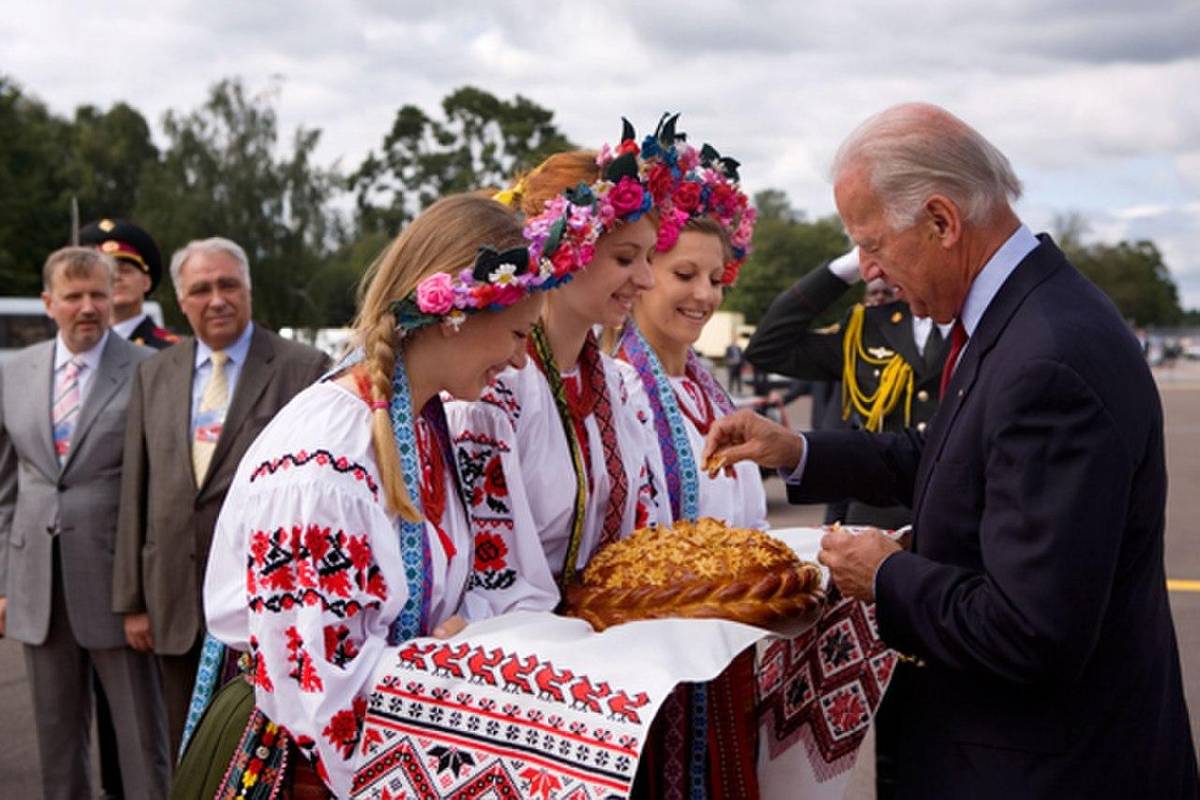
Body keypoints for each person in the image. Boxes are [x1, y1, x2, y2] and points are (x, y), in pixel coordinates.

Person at [704, 102, 1199, 798]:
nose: (869, 270)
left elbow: (1031, 632)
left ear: (941, 221)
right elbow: (941, 453)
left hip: (1042, 770)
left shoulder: (1048, 356)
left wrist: (883, 577)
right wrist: (796, 449)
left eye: (871, 243)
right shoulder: (1019, 318)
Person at [177, 193, 561, 799]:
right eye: (517, 335)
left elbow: (485, 588)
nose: (518, 361)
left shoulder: (431, 422)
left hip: (370, 746)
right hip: (301, 766)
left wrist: (463, 635)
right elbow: (318, 693)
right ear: (455, 314)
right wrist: (438, 663)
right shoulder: (322, 464)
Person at [446, 119, 673, 619]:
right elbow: (486, 575)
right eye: (626, 258)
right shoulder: (493, 390)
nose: (647, 279)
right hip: (519, 655)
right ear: (567, 252)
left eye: (651, 257)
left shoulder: (616, 385)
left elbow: (645, 535)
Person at [113, 237, 330, 756]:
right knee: (183, 748)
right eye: (201, 289)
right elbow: (135, 489)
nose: (217, 299)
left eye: (228, 284)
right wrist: (133, 601)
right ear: (181, 301)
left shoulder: (302, 368)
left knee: (258, 752)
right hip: (173, 602)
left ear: (249, 290)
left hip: (264, 604)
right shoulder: (155, 372)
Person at [613, 135, 767, 796]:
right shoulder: (618, 389)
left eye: (714, 277)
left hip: (719, 660)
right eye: (685, 275)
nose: (704, 295)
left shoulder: (709, 392)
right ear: (644, 272)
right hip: (651, 671)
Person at [0, 247, 170, 800]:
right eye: (73, 296)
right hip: (37, 590)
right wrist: (3, 582)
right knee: (56, 744)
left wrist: (144, 591)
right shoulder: (14, 372)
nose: (88, 307)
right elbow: (6, 489)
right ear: (50, 303)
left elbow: (160, 490)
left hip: (120, 593)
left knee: (143, 743)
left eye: (98, 293)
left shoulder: (149, 370)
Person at [746, 247, 951, 531]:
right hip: (877, 519)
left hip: (958, 515)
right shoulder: (867, 327)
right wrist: (849, 265)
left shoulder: (983, 318)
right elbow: (768, 347)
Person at [79, 218, 179, 350]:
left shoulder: (170, 349)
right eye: (107, 273)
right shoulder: (82, 346)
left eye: (125, 270)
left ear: (146, 282)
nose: (116, 277)